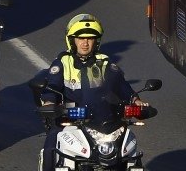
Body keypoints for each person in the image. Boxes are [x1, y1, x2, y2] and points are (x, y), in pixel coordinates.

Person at [39, 14, 142, 171]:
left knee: (130, 153)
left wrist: (135, 100)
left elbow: (121, 85)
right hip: (71, 119)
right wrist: (49, 103)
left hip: (103, 121)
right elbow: (51, 86)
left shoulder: (105, 63)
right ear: (72, 40)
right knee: (50, 148)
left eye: (90, 38)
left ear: (96, 41)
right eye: (81, 38)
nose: (85, 43)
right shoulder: (63, 62)